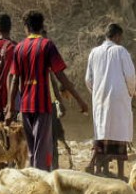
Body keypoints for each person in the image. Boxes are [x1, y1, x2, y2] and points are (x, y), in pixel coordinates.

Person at [6, 11, 88, 171]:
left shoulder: (19, 48)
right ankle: (40, 186)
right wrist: (80, 100)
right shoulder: (47, 45)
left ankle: (34, 184)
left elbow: (14, 80)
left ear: (26, 27)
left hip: (25, 107)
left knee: (32, 151)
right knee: (41, 151)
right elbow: (60, 76)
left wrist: (10, 109)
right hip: (42, 105)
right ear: (41, 26)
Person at [85, 23, 136, 179]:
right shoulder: (121, 51)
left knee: (103, 133)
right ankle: (120, 174)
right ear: (117, 36)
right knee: (119, 135)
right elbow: (130, 77)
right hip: (118, 99)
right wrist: (130, 93)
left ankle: (101, 170)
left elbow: (88, 79)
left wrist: (96, 92)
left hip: (100, 99)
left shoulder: (94, 52)